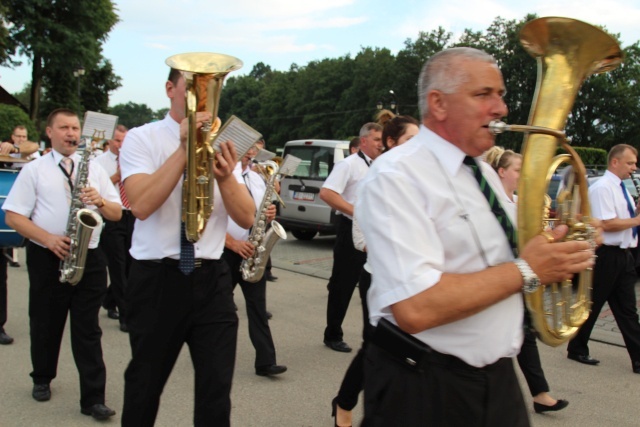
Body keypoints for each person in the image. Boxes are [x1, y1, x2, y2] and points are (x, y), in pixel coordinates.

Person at [356, 47, 593, 426]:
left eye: (499, 95)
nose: (500, 109)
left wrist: (561, 250)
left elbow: (504, 263)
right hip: (424, 388)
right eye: (484, 95)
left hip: (497, 380)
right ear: (439, 104)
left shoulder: (481, 174)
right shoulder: (396, 176)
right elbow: (416, 308)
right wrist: (529, 269)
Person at [119, 67, 255, 426]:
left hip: (211, 278)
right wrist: (184, 150)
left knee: (215, 393)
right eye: (195, 89)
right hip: (156, 281)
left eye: (211, 90)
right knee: (144, 385)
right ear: (170, 90)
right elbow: (142, 205)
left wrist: (226, 176)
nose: (204, 101)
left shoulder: (224, 142)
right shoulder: (141, 138)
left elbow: (246, 218)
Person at [2, 108, 122, 420]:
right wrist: (47, 238)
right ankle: (42, 377)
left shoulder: (92, 167)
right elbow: (13, 215)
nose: (71, 133)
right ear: (50, 132)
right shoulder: (35, 169)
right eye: (64, 128)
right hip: (49, 254)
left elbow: (117, 213)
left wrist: (100, 200)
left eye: (74, 128)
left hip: (90, 256)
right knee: (45, 322)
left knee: (88, 330)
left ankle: (93, 399)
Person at [332, 113, 419, 427]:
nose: (418, 146)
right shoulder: (373, 180)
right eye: (411, 139)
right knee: (376, 349)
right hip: (379, 278)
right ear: (392, 143)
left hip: (413, 279)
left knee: (407, 350)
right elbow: (359, 239)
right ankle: (344, 403)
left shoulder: (420, 181)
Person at [484, 146, 569, 413]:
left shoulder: (521, 203)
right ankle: (533, 394)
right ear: (502, 171)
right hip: (501, 279)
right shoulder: (493, 203)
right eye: (518, 170)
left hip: (521, 278)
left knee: (525, 333)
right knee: (508, 336)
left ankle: (539, 393)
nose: (523, 175)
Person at [567, 144, 640, 374]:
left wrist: (635, 211)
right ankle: (576, 347)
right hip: (606, 254)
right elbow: (607, 223)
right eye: (630, 163)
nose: (634, 168)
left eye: (635, 163)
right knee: (593, 303)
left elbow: (623, 218)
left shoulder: (620, 188)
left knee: (627, 309)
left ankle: (638, 359)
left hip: (623, 255)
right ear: (615, 162)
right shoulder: (602, 188)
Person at [223, 144, 286, 376]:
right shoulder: (224, 177)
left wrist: (270, 213)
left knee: (258, 308)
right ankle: (214, 355)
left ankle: (265, 361)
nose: (251, 154)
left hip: (253, 249)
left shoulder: (257, 178)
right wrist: (233, 244)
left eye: (254, 150)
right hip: (227, 250)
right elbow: (209, 221)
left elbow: (263, 211)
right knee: (219, 307)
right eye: (247, 149)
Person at [320, 122, 383, 353]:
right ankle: (333, 334)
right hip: (350, 229)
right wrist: (357, 212)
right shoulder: (348, 164)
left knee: (371, 284)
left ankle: (373, 336)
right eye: (377, 139)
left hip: (374, 232)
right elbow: (327, 193)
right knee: (342, 285)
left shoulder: (381, 165)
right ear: (363, 141)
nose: (381, 144)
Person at [93, 124, 133, 331]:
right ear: (109, 141)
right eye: (118, 141)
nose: (121, 145)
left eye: (124, 140)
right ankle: (125, 315)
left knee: (130, 264)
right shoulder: (98, 163)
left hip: (132, 215)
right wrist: (115, 177)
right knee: (117, 266)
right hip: (111, 215)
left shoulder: (133, 159)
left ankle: (109, 300)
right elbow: (95, 191)